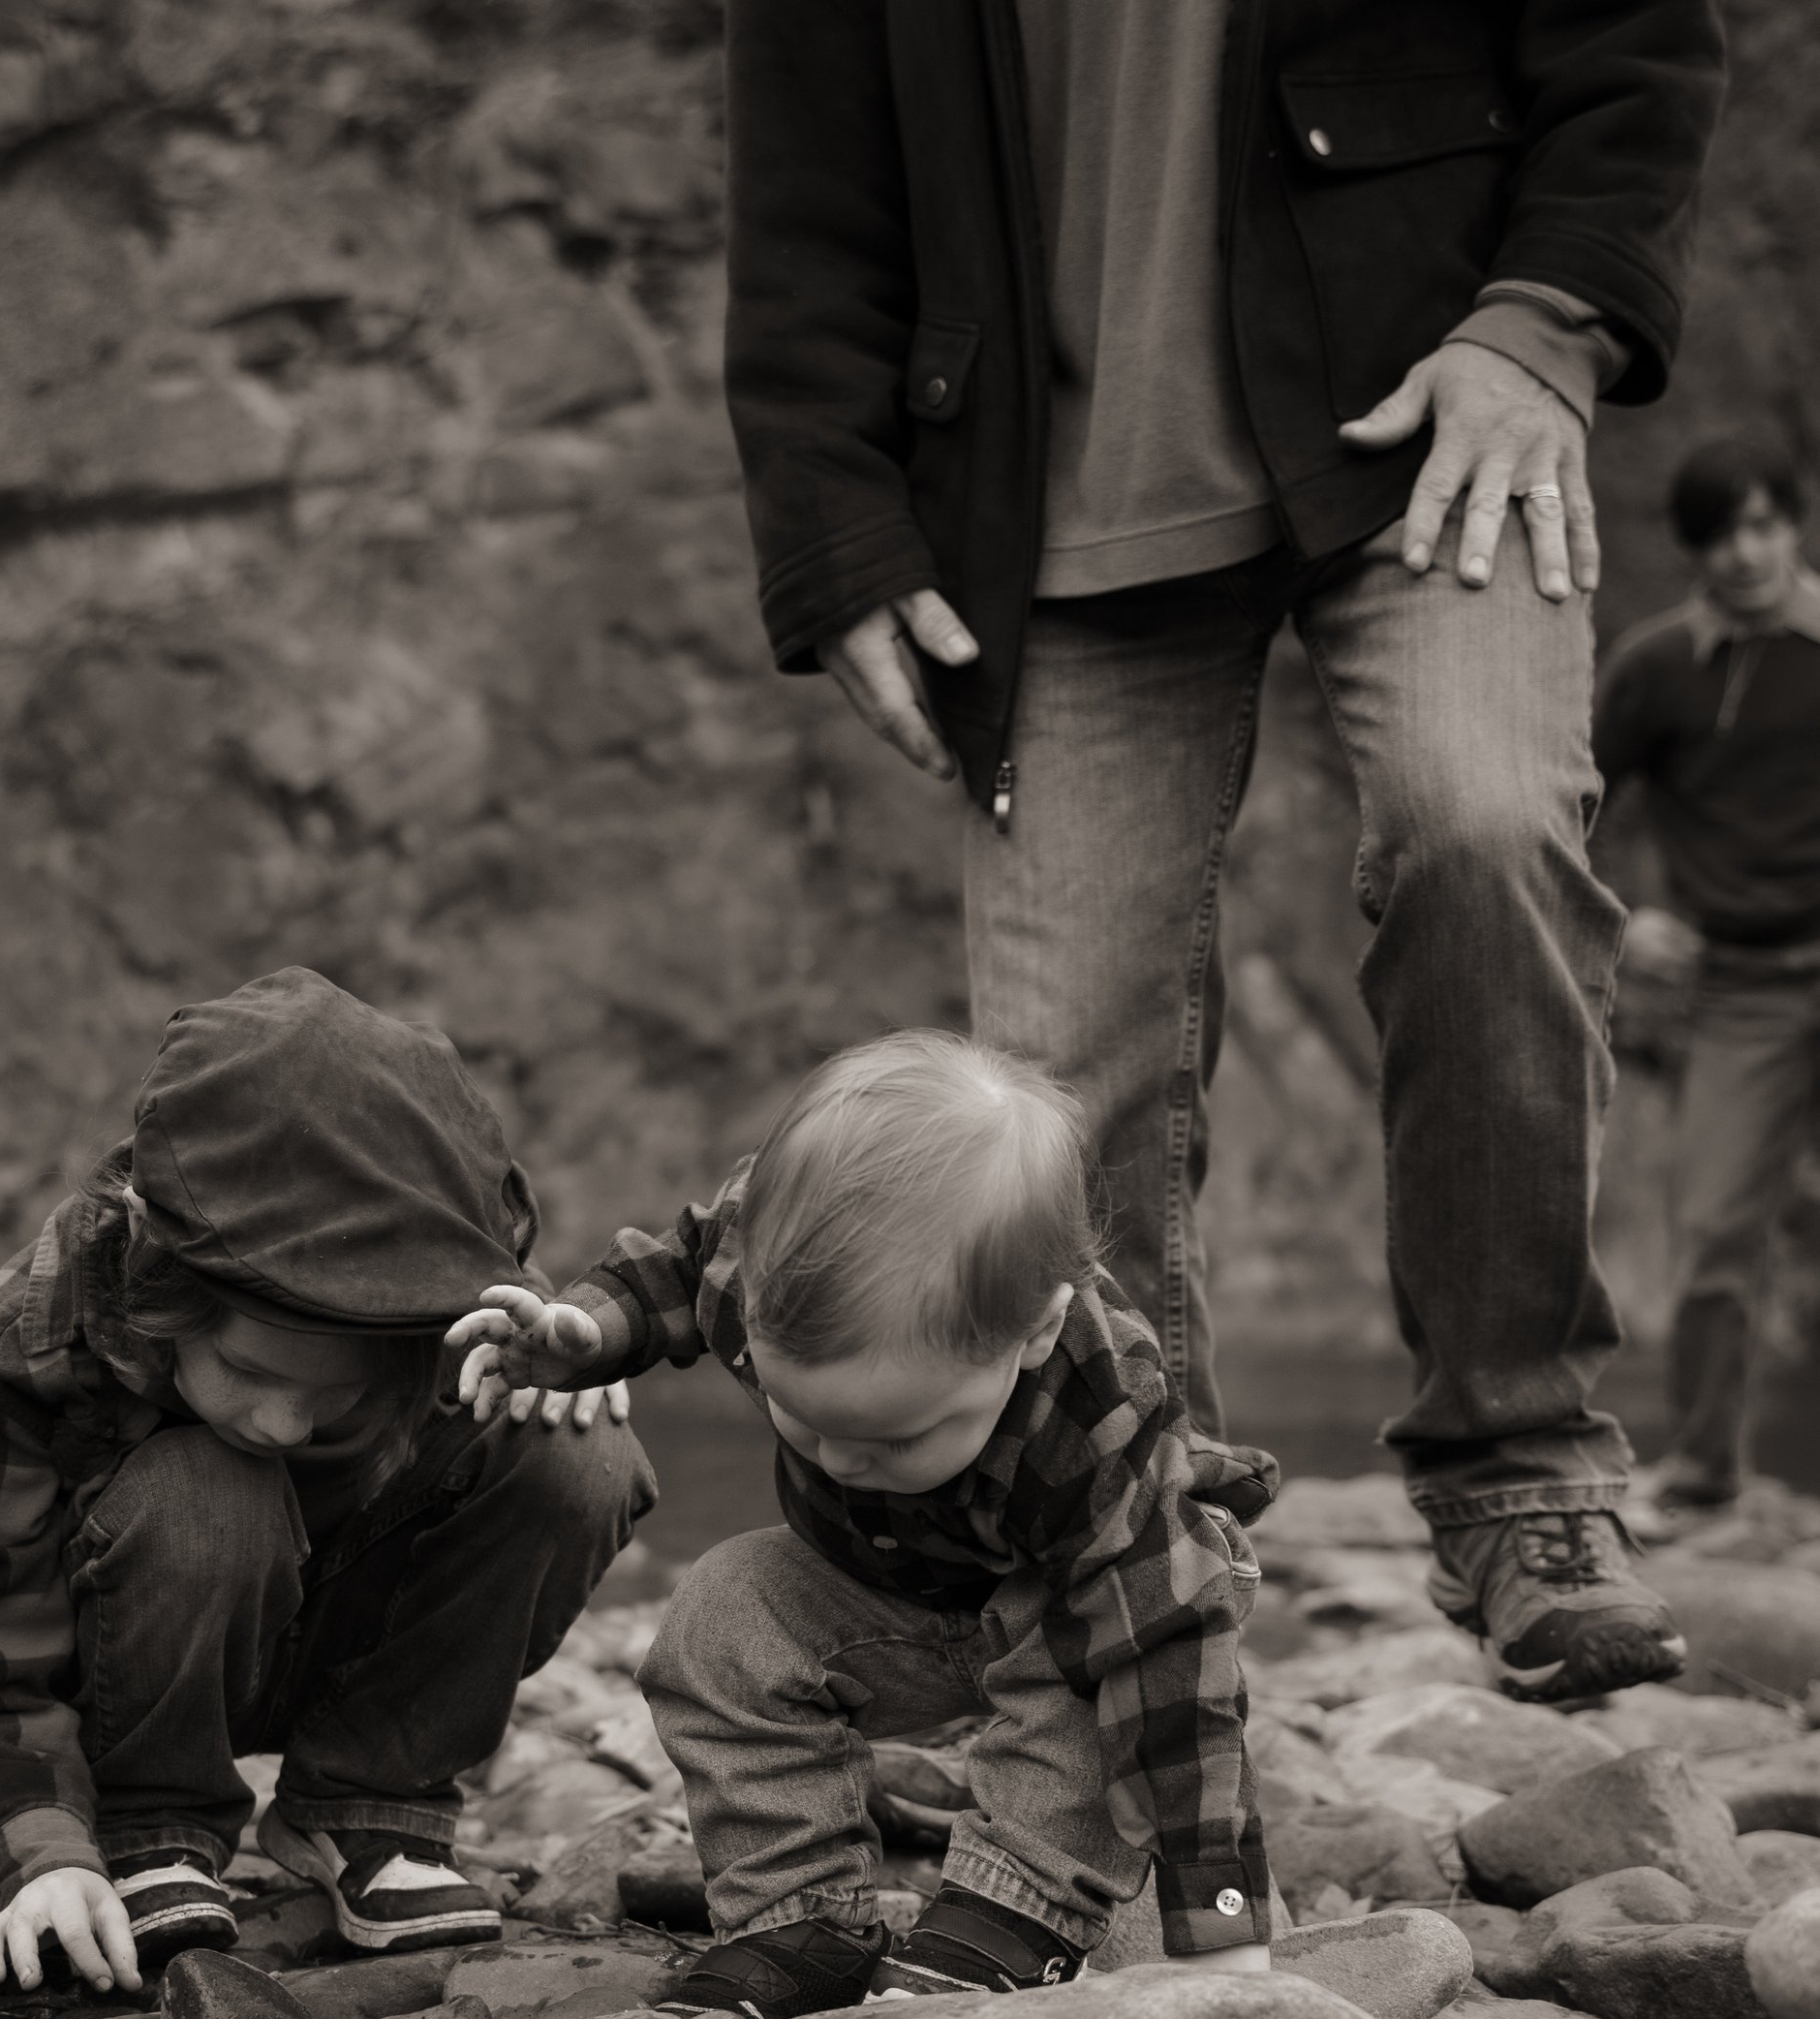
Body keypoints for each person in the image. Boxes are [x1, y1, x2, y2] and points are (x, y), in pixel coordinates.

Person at [722, 0, 1726, 1703]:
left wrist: (1544, 320)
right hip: (1045, 489)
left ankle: (1524, 1481)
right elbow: (812, 180)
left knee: (1483, 831)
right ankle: (1129, 1547)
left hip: (1430, 404)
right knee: (1048, 1086)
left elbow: (1630, 36)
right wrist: (834, 516)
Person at [447, 1032, 1274, 2019]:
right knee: (721, 1608)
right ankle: (796, 1921)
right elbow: (669, 1272)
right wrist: (580, 1333)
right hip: (885, 1589)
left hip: (1077, 1605)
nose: (839, 1459)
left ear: (1035, 1330)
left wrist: (1217, 1921)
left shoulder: (1105, 1430)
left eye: (894, 1433)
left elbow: (1172, 1678)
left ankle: (1018, 1913)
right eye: (805, 1417)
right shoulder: (755, 1264)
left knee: (1089, 1654)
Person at [0, 967, 654, 1994]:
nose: (285, 1420)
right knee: (213, 1482)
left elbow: (543, 1380)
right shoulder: (15, 1350)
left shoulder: (427, 1296)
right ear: (163, 1294)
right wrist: (43, 1856)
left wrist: (569, 1367)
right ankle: (149, 1828)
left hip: (338, 1637)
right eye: (250, 1371)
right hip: (126, 1669)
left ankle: (364, 1810)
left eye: (335, 1391)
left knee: (582, 1453)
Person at [1594, 438, 1820, 1510]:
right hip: (1739, 991)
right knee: (1716, 1231)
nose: (1746, 551)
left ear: (1794, 525)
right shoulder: (1654, 668)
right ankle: (1701, 1471)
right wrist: (1621, 924)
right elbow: (1561, 807)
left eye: (1764, 523)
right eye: (1721, 532)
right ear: (1693, 548)